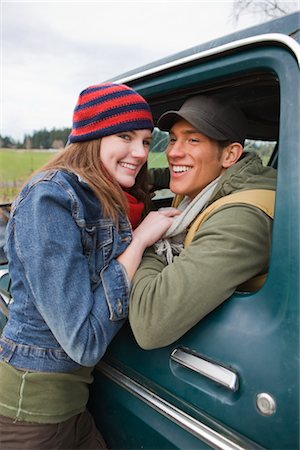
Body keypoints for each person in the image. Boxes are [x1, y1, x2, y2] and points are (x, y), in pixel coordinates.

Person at [0, 82, 179, 449]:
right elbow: (83, 341)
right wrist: (141, 240)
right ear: (93, 136)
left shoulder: (104, 194)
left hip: (72, 406)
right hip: (31, 413)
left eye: (146, 141)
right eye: (125, 136)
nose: (140, 152)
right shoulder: (49, 199)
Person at [129, 94, 277, 349]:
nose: (174, 152)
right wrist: (127, 175)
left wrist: (150, 242)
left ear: (230, 155)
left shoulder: (242, 219)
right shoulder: (208, 183)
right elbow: (170, 174)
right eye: (173, 139)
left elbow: (150, 326)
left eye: (193, 140)